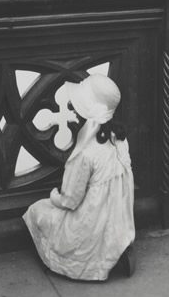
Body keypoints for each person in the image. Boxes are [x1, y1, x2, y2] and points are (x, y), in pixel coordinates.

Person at [23, 74, 135, 280]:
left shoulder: (86, 152)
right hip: (119, 220)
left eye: (77, 105)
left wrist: (55, 195)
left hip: (91, 225)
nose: (73, 109)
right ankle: (118, 249)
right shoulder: (120, 139)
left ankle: (67, 261)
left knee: (36, 210)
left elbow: (71, 201)